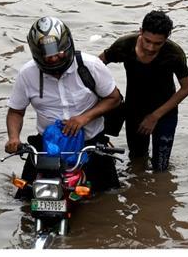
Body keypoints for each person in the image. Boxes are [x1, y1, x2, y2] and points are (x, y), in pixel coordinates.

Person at [6, 17, 123, 192]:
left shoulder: (91, 66)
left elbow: (114, 98)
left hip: (91, 145)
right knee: (26, 199)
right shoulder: (27, 74)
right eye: (47, 55)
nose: (53, 58)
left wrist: (84, 118)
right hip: (47, 148)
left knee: (109, 196)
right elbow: (16, 111)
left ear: (68, 45)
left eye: (58, 52)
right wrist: (14, 138)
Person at [99, 11, 188, 172]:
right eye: (147, 41)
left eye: (158, 43)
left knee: (161, 168)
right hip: (134, 111)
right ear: (140, 31)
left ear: (167, 38)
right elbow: (96, 66)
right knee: (136, 161)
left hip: (165, 114)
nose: (150, 47)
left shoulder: (173, 53)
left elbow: (186, 88)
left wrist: (155, 116)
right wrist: (111, 91)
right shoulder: (125, 45)